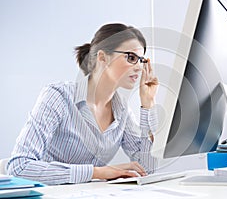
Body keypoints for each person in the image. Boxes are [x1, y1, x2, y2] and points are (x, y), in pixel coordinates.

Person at [7, 23, 159, 185]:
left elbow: (146, 169)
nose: (139, 68)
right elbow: (19, 166)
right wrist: (96, 172)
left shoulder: (121, 110)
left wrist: (148, 105)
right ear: (102, 58)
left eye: (141, 60)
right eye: (131, 58)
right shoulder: (58, 97)